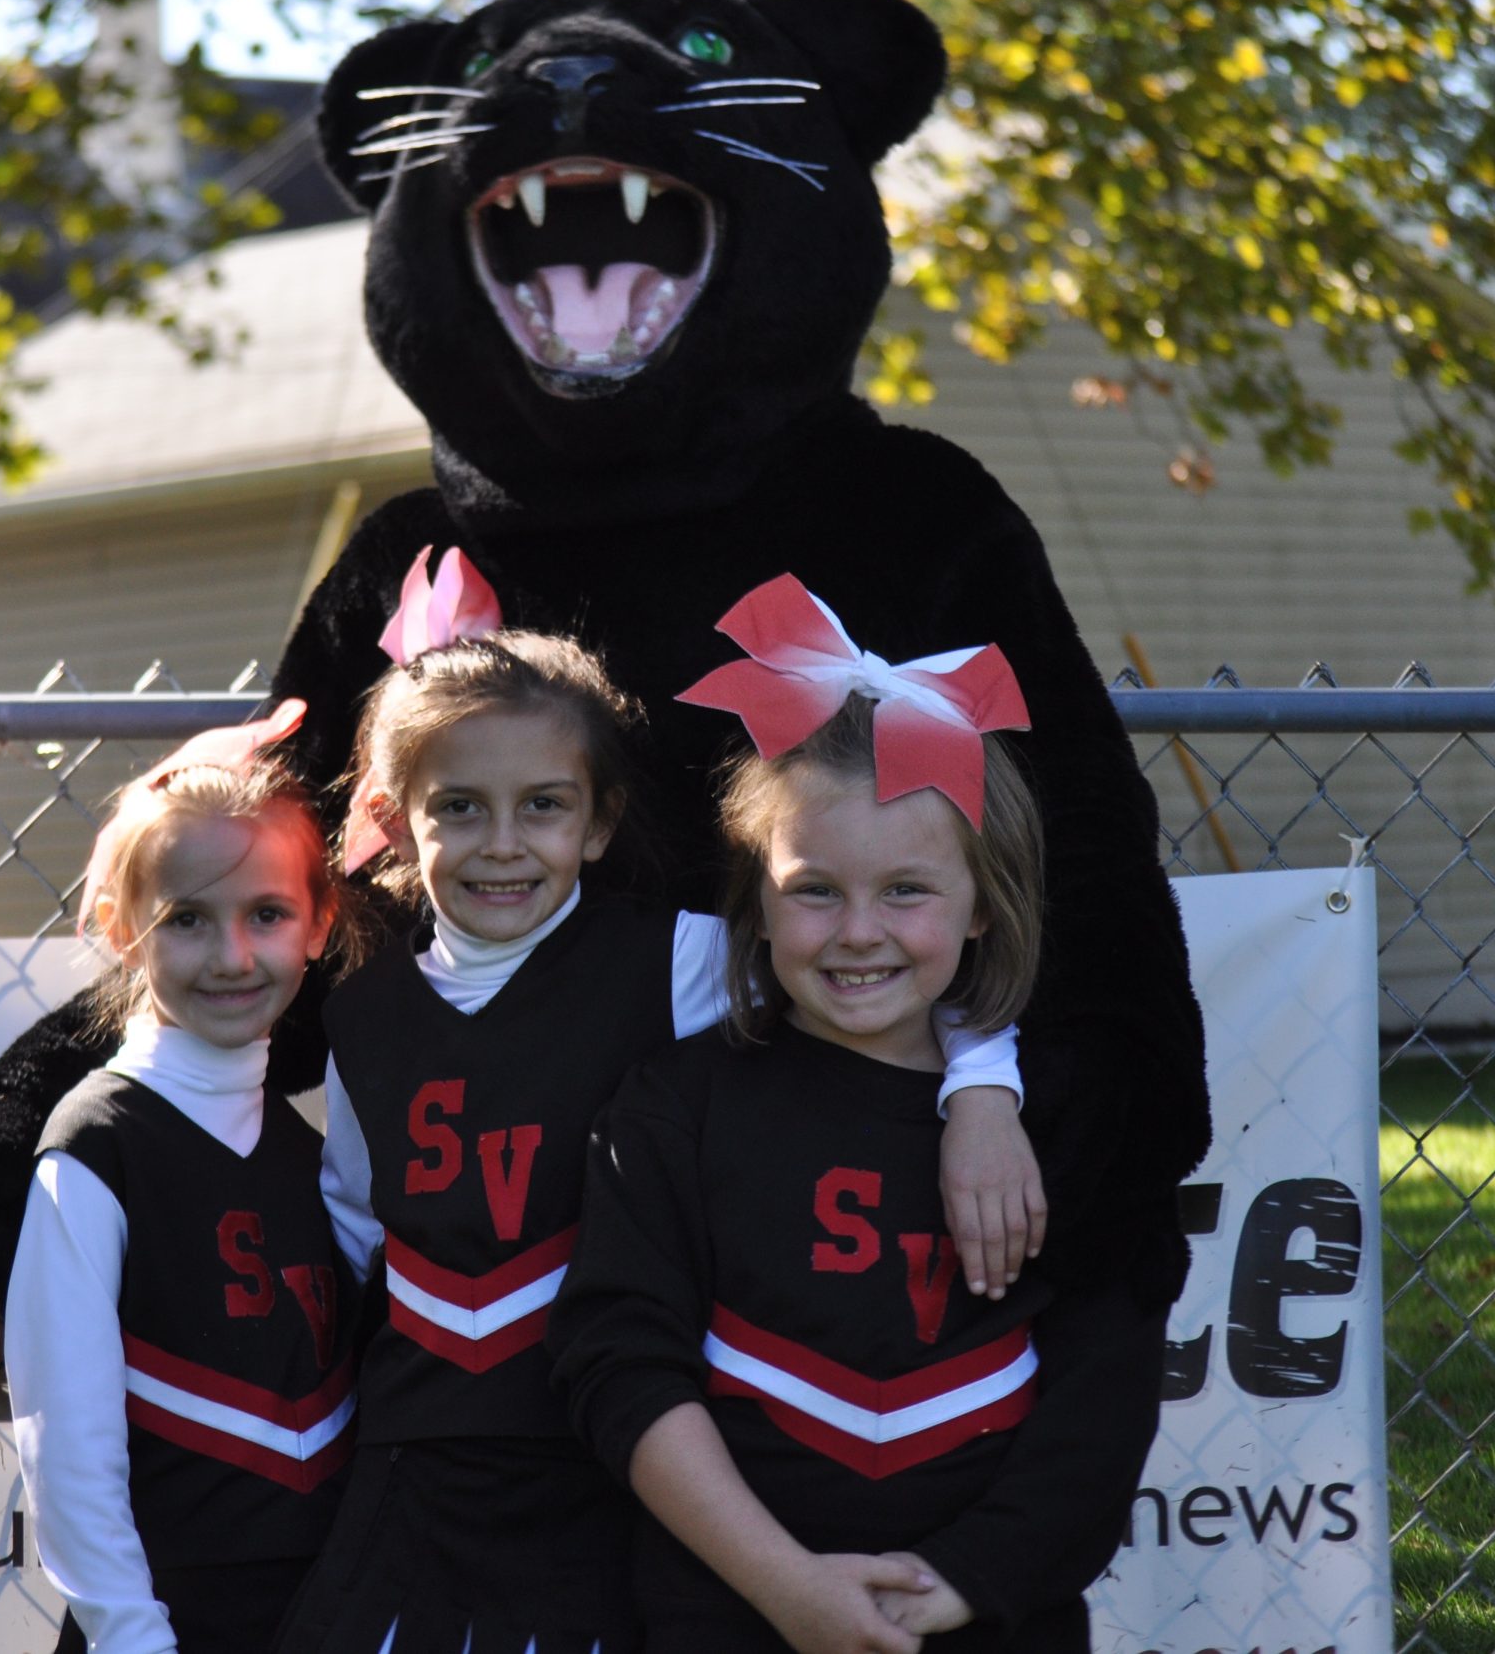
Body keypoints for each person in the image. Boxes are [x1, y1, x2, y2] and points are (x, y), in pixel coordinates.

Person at [278, 553, 1044, 1654]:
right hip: (420, 1462)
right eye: (460, 808)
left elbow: (870, 985)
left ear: (599, 823)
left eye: (544, 806)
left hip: (604, 1456)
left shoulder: (680, 960)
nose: (503, 843)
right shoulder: (361, 1010)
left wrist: (981, 1087)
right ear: (393, 820)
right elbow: (360, 1227)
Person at [549, 581, 1166, 1654]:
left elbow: (1105, 1395)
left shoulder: (1061, 1129)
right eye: (814, 889)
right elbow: (620, 1367)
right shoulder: (672, 1109)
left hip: (988, 1622)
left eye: (907, 892)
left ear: (983, 904)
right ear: (755, 898)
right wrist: (785, 1585)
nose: (858, 932)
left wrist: (967, 1580)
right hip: (727, 1615)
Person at [5, 701, 360, 1654]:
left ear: (320, 922)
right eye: (188, 919)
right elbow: (64, 1445)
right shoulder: (96, 1146)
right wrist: (132, 1637)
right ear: (122, 930)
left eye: (267, 914)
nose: (233, 957)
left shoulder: (309, 1153)